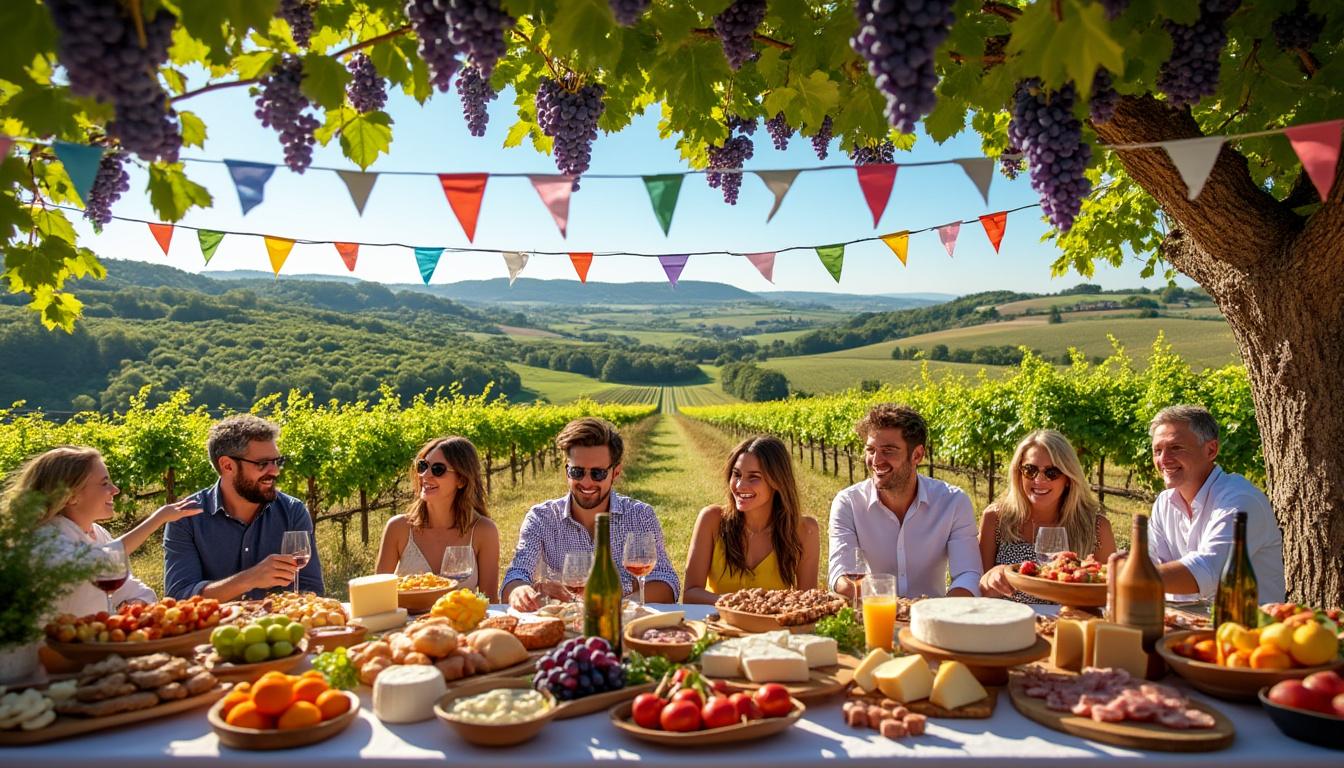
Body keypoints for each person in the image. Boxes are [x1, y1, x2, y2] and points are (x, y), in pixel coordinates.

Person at [502, 417, 679, 610]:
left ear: (615, 473)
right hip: (565, 630)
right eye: (577, 472)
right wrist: (518, 591)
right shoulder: (541, 518)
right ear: (566, 471)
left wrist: (612, 599)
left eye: (598, 474)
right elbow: (516, 574)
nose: (586, 483)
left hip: (624, 627)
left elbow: (666, 583)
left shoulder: (640, 516)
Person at [6, 445, 202, 617]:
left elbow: (125, 586)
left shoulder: (97, 533)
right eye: (104, 483)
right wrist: (157, 519)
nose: (115, 490)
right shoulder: (41, 539)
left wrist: (138, 602)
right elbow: (98, 561)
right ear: (71, 496)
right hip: (50, 655)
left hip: (93, 647)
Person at [163, 414, 324, 601]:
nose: (275, 471)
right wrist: (249, 579)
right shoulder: (185, 519)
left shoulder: (292, 511)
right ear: (227, 465)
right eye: (263, 463)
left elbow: (311, 590)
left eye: (277, 462)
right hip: (217, 629)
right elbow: (179, 598)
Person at [828, 404, 981, 599]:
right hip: (873, 616)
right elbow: (841, 575)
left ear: (917, 455)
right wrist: (892, 607)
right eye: (871, 450)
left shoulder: (953, 502)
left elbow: (968, 574)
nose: (876, 460)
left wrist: (939, 613)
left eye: (888, 450)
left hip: (932, 619)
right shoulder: (848, 503)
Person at [1141, 405, 1284, 603]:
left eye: (1176, 448)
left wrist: (1132, 577)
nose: (1163, 460)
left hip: (1249, 630)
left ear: (1211, 450)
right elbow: (1148, 561)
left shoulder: (1240, 501)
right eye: (1157, 450)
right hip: (1190, 625)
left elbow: (1209, 570)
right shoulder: (1164, 503)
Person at [977, 430, 1117, 603]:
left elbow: (1109, 595)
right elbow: (978, 591)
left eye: (1052, 472)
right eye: (1030, 470)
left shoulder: (1096, 526)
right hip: (1009, 624)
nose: (1039, 480)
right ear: (1019, 473)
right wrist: (991, 578)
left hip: (1068, 624)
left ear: (1068, 478)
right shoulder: (997, 519)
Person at [683, 435, 820, 604]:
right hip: (717, 625)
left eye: (754, 477)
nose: (740, 486)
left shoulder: (805, 530)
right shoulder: (711, 520)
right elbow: (690, 594)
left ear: (777, 481)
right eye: (737, 474)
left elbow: (808, 603)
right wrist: (738, 604)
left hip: (774, 629)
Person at [375, 436, 500, 599]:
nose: (425, 475)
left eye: (438, 469)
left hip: (461, 624)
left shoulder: (483, 531)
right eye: (422, 466)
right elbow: (377, 595)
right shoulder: (398, 528)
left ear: (461, 480)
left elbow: (489, 601)